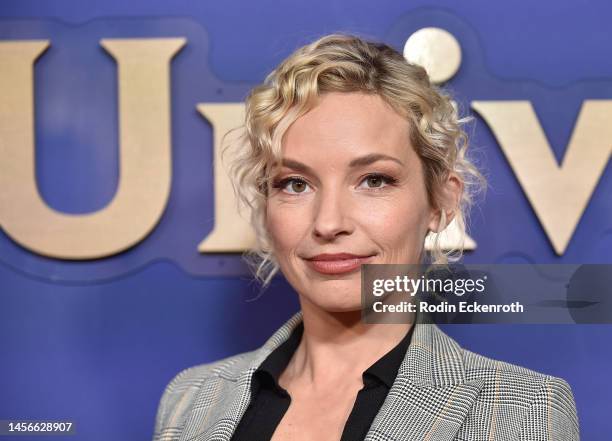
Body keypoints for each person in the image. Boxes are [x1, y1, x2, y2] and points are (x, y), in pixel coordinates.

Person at [152, 33, 579, 441]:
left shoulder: (521, 410)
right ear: (266, 203)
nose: (329, 222)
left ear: (439, 202)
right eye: (296, 184)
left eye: (374, 180)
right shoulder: (191, 399)